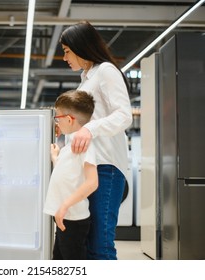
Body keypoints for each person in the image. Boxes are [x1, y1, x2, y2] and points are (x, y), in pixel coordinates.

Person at [59, 21, 133, 260]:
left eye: (67, 51)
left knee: (100, 245)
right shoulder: (85, 81)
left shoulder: (105, 71)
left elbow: (124, 115)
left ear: (81, 47)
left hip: (107, 169)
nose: (64, 57)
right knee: (89, 245)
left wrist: (89, 129)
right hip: (89, 170)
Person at [43, 89, 98, 260]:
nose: (56, 122)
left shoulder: (84, 146)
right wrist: (55, 158)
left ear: (68, 119)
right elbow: (68, 174)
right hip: (64, 216)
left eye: (57, 117)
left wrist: (65, 206)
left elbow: (92, 182)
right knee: (58, 258)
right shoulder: (70, 145)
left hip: (72, 218)